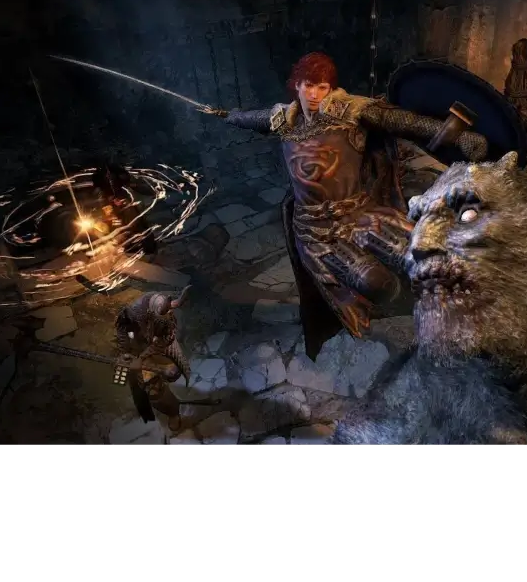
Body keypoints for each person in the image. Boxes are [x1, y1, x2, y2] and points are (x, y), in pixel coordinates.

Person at [206, 51, 488, 358]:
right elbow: (251, 119)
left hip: (361, 215)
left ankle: (451, 319)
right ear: (296, 85)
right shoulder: (282, 120)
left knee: (419, 260)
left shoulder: (352, 112)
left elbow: (402, 122)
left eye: (322, 87)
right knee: (376, 283)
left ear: (330, 89)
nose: (314, 94)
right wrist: (226, 115)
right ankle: (394, 323)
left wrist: (457, 136)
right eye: (308, 85)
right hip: (316, 233)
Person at [114, 288, 191, 431]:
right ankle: (168, 410)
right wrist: (126, 354)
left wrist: (146, 358)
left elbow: (165, 340)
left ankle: (172, 409)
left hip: (154, 348)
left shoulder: (167, 318)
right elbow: (123, 333)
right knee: (149, 389)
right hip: (136, 347)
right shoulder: (132, 314)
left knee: (170, 375)